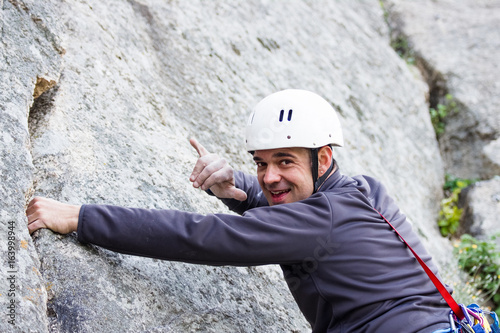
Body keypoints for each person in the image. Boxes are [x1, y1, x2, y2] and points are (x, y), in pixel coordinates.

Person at [27, 89, 453, 332]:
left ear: (322, 160)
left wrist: (81, 217)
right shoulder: (366, 191)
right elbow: (296, 210)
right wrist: (237, 187)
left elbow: (202, 237)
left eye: (285, 161)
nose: (269, 177)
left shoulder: (319, 220)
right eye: (261, 163)